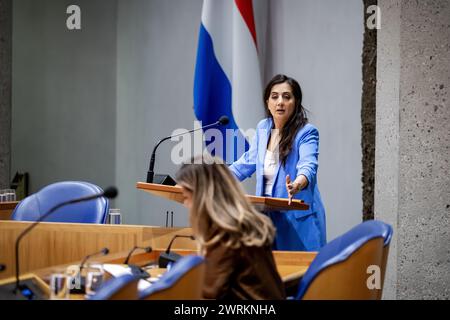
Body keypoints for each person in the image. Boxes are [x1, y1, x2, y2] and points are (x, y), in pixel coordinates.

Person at [229, 74, 326, 251]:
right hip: (266, 218)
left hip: (298, 220)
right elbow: (246, 163)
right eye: (274, 97)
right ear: (267, 102)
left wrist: (297, 184)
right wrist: (215, 180)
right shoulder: (263, 128)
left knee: (302, 275)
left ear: (296, 102)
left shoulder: (306, 132)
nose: (280, 102)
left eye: (286, 97)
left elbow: (308, 166)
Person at [175, 155, 285, 300]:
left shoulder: (226, 236)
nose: (186, 204)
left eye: (186, 197)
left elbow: (207, 294)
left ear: (201, 196)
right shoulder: (246, 224)